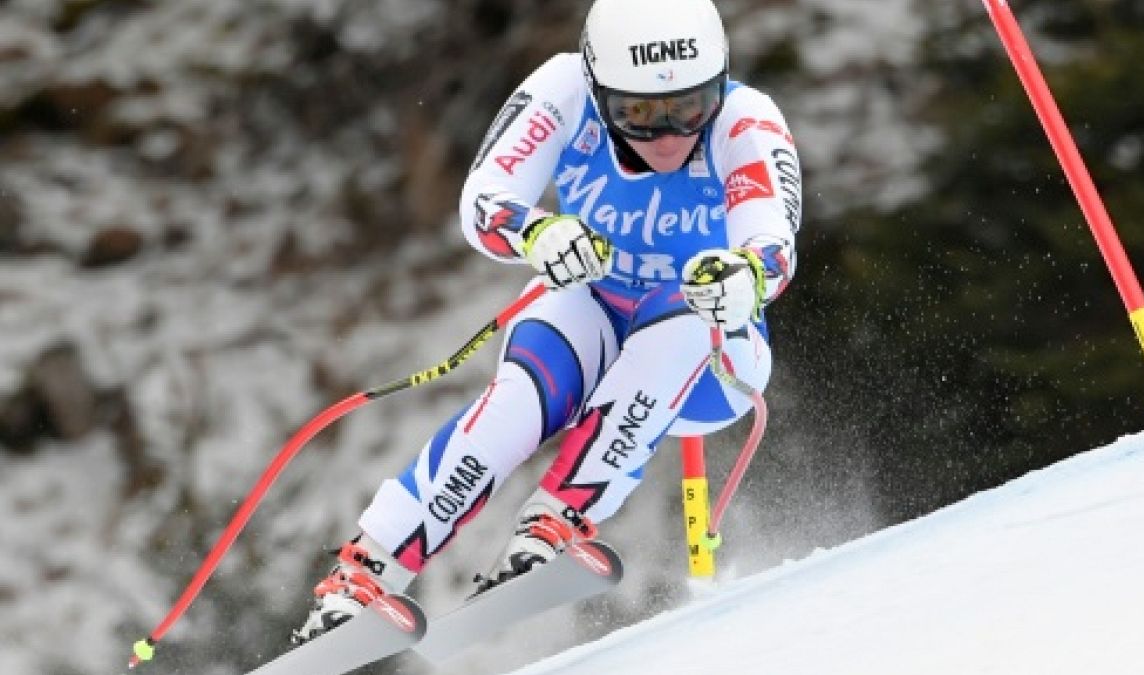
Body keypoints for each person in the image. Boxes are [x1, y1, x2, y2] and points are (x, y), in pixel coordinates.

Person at [292, 0, 801, 643]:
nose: (668, 135)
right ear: (598, 88)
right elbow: (485, 199)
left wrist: (746, 278)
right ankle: (362, 577)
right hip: (593, 299)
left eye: (690, 109)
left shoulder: (746, 120)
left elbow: (774, 240)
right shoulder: (561, 89)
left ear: (719, 84)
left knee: (683, 322)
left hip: (715, 358)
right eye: (637, 114)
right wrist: (535, 232)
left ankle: (556, 521)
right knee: (517, 404)